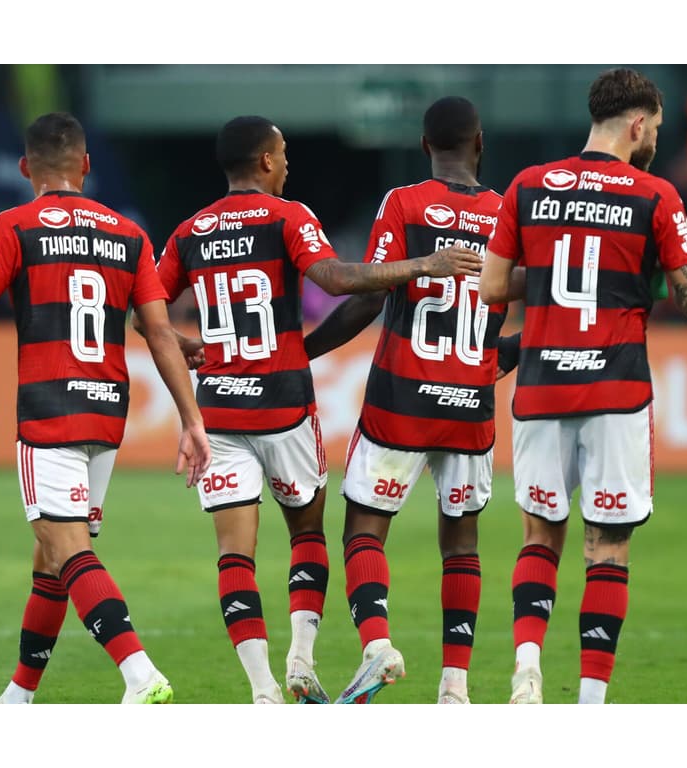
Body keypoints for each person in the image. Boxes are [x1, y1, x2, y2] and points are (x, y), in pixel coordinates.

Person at [145, 115, 482, 704]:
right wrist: (421, 265)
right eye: (284, 154)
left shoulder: (190, 231)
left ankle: (265, 690)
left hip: (221, 409)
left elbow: (143, 312)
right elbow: (337, 277)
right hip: (283, 404)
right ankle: (302, 656)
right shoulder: (288, 215)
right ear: (267, 161)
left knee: (234, 552)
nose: (289, 165)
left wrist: (191, 344)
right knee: (308, 532)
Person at [0, 112, 211, 704]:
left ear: (25, 169)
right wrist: (192, 421)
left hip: (48, 409)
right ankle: (19, 696)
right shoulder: (128, 233)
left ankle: (140, 673)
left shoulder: (15, 225)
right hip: (105, 413)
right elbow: (161, 333)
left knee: (66, 547)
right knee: (50, 557)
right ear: (85, 165)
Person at [478, 68, 687, 705]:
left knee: (538, 533)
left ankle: (527, 667)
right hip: (616, 390)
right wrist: (647, 274)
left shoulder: (527, 185)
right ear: (637, 124)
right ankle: (589, 705)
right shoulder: (656, 195)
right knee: (606, 546)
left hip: (543, 386)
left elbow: (493, 288)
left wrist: (551, 273)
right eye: (655, 129)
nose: (654, 139)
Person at [303, 96, 513, 704]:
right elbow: (501, 313)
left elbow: (369, 295)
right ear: (480, 145)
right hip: (470, 400)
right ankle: (455, 687)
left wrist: (307, 350)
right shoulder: (504, 215)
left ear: (426, 148)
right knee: (463, 542)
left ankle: (377, 645)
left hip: (403, 396)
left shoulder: (405, 203)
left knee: (365, 532)